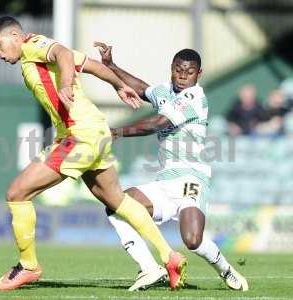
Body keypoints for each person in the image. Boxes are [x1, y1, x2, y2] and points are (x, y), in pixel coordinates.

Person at [0, 16, 186, 291]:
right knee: (117, 199)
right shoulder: (32, 53)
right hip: (96, 133)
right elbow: (89, 64)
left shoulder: (33, 45)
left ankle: (29, 266)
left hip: (79, 136)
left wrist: (66, 83)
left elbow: (64, 54)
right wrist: (118, 84)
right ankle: (169, 256)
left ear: (15, 35)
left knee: (17, 194)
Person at [94, 41, 249, 291]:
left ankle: (226, 269)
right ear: (171, 68)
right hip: (165, 181)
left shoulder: (195, 98)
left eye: (189, 72)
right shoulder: (166, 91)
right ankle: (149, 268)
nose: (182, 76)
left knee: (192, 240)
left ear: (199, 74)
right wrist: (111, 66)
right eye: (178, 70)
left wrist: (116, 131)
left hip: (191, 179)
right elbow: (143, 89)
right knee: (115, 204)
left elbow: (158, 123)